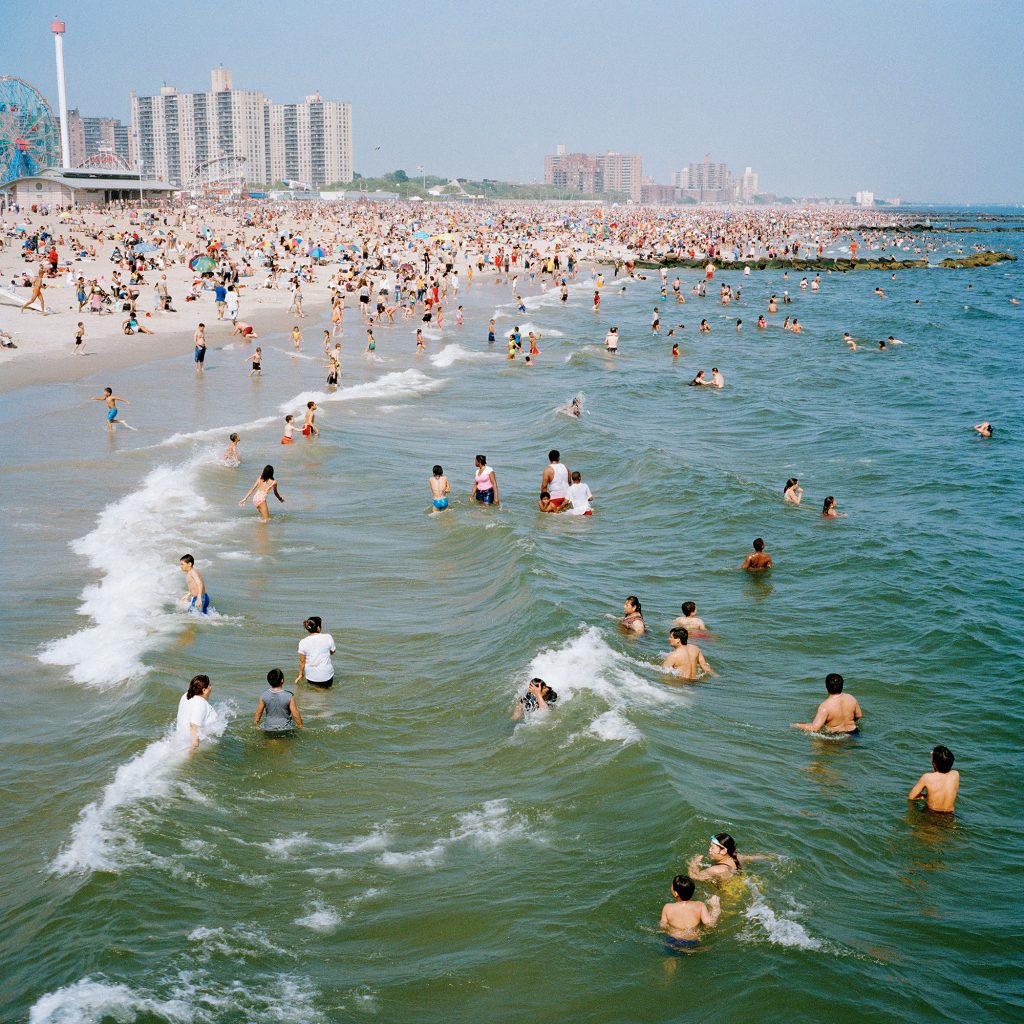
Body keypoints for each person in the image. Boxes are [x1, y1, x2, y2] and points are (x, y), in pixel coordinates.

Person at [659, 875, 720, 951]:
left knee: (671, 959)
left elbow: (662, 926)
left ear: (675, 893)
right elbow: (710, 924)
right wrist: (715, 908)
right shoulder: (700, 905)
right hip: (691, 941)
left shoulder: (667, 907)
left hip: (672, 940)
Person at [791, 673, 863, 735]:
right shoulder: (851, 698)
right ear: (842, 685)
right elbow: (859, 715)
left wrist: (796, 725)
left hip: (837, 736)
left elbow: (814, 728)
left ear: (826, 687)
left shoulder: (825, 706)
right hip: (855, 733)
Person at [687, 833, 771, 883]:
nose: (709, 850)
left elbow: (694, 876)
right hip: (742, 883)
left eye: (712, 848)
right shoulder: (738, 857)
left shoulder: (716, 870)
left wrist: (694, 862)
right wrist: (771, 856)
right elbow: (753, 857)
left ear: (723, 851)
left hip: (729, 897)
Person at [908, 745, 960, 813]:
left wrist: (925, 796)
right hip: (949, 816)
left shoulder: (927, 778)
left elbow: (911, 797)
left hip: (931, 814)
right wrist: (935, 761)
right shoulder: (956, 775)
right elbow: (941, 776)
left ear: (934, 764)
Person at [175, 674, 218, 752]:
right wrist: (194, 745)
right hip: (194, 745)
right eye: (210, 686)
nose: (211, 688)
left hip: (181, 739)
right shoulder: (201, 703)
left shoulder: (186, 695)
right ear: (204, 690)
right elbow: (193, 725)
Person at [254, 668, 303, 735]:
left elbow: (258, 713)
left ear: (268, 681)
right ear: (282, 680)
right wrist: (301, 726)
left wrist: (255, 725)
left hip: (268, 728)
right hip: (285, 728)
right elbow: (295, 714)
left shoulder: (263, 695)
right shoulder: (289, 696)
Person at [296, 616, 336, 688]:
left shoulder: (302, 642)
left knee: (313, 695)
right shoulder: (328, 637)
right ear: (318, 628)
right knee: (325, 694)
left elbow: (302, 661)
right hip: (326, 676)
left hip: (311, 676)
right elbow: (333, 651)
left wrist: (300, 675)